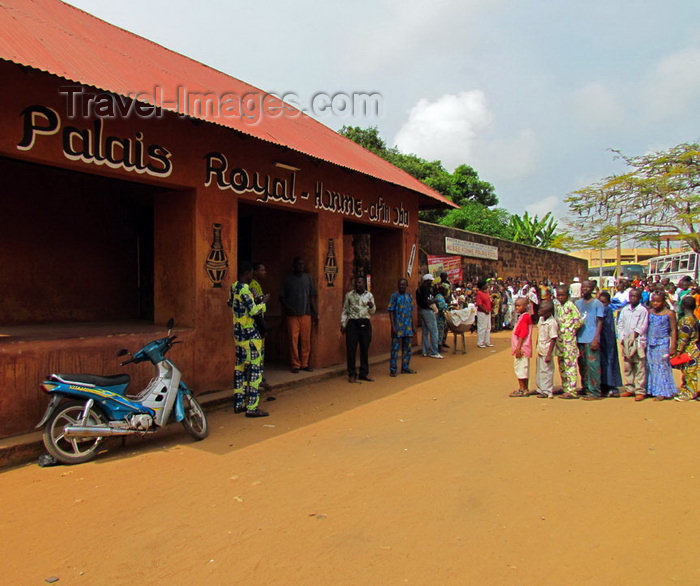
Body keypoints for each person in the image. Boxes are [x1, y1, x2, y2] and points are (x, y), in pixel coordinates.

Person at [229, 261, 270, 418]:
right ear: (247, 273)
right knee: (255, 371)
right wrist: (263, 303)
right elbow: (253, 311)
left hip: (238, 336)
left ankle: (239, 403)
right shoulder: (245, 289)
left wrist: (255, 299)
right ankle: (252, 407)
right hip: (251, 336)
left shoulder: (234, 287)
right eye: (251, 273)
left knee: (239, 370)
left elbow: (230, 303)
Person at [280, 257, 318, 373]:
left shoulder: (308, 278)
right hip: (292, 315)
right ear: (294, 266)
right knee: (293, 340)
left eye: (302, 264)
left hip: (306, 313)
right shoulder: (287, 280)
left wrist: (315, 313)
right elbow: (281, 297)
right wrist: (288, 309)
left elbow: (312, 297)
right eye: (298, 264)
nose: (300, 267)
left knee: (306, 340)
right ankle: (295, 364)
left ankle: (305, 363)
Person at [341, 275, 376, 383]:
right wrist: (343, 324)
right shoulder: (349, 295)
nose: (357, 284)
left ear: (364, 284)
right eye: (356, 282)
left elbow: (373, 311)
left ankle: (363, 373)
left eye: (360, 282)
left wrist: (371, 306)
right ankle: (352, 373)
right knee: (351, 350)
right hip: (353, 324)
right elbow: (345, 310)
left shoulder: (369, 295)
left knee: (364, 350)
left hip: (365, 324)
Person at [575, 280, 605, 400]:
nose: (584, 290)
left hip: (591, 337)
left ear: (592, 289)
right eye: (583, 288)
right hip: (580, 338)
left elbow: (600, 321)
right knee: (582, 365)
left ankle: (595, 391)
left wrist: (596, 339)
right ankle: (586, 387)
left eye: (587, 288)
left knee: (593, 366)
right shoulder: (577, 303)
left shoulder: (597, 304)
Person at [617, 288, 648, 401]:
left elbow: (642, 325)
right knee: (628, 366)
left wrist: (634, 336)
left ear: (640, 298)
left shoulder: (642, 310)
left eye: (635, 296)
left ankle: (640, 390)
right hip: (626, 341)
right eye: (631, 296)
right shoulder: (625, 310)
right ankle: (630, 388)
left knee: (639, 366)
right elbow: (620, 324)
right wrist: (621, 337)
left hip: (638, 341)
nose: (633, 298)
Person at [646, 291, 677, 401]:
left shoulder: (669, 313)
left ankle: (662, 391)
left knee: (662, 367)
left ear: (664, 302)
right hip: (650, 342)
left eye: (658, 301)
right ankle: (652, 389)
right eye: (653, 301)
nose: (655, 303)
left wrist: (672, 346)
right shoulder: (649, 312)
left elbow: (673, 330)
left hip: (662, 342)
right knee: (651, 366)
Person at [554, 285, 584, 399]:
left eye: (562, 295)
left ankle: (572, 390)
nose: (560, 297)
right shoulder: (557, 306)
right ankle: (565, 387)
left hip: (569, 340)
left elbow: (579, 321)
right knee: (561, 364)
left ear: (568, 295)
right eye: (558, 295)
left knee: (570, 364)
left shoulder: (570, 305)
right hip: (560, 341)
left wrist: (571, 329)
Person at [388, 278, 417, 377]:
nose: (401, 286)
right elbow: (390, 311)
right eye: (400, 285)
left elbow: (411, 312)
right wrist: (393, 326)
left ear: (406, 286)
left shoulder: (409, 296)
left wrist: (413, 326)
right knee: (395, 349)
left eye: (403, 285)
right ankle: (393, 369)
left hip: (407, 327)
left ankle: (405, 367)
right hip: (397, 326)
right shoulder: (394, 296)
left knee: (407, 349)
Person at [597, 291, 623, 397]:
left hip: (607, 339)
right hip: (601, 338)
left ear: (608, 303)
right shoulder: (600, 309)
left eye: (604, 302)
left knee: (609, 361)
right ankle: (603, 385)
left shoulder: (606, 310)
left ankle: (611, 385)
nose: (601, 304)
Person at [673, 295, 699, 401]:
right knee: (688, 372)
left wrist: (678, 351)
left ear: (683, 306)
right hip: (695, 348)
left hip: (689, 350)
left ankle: (690, 394)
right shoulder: (695, 318)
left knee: (689, 372)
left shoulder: (686, 321)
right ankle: (686, 390)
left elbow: (683, 338)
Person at [509, 298, 533, 397]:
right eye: (516, 306)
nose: (517, 308)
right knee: (523, 368)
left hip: (521, 349)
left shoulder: (524, 318)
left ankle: (522, 389)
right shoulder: (524, 317)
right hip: (524, 348)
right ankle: (525, 388)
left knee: (520, 368)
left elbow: (522, 334)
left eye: (519, 306)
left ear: (525, 306)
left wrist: (518, 348)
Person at [416, 274, 443, 359]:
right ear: (427, 281)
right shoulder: (426, 289)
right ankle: (434, 351)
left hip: (421, 310)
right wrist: (435, 301)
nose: (431, 282)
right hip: (428, 311)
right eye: (430, 281)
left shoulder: (419, 289)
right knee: (434, 331)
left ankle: (425, 351)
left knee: (425, 331)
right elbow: (429, 301)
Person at [535, 301, 558, 398]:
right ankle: (541, 388)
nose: (539, 311)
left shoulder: (552, 323)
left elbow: (553, 338)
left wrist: (549, 354)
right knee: (540, 370)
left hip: (547, 350)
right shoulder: (541, 319)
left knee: (547, 371)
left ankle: (547, 391)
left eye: (542, 310)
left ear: (549, 312)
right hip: (541, 349)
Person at [475, 280, 493, 348]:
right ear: (482, 286)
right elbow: (479, 304)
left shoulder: (486, 293)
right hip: (482, 312)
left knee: (488, 327)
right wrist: (485, 310)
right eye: (485, 284)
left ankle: (487, 342)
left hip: (488, 311)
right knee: (482, 327)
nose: (487, 285)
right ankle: (480, 342)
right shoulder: (479, 293)